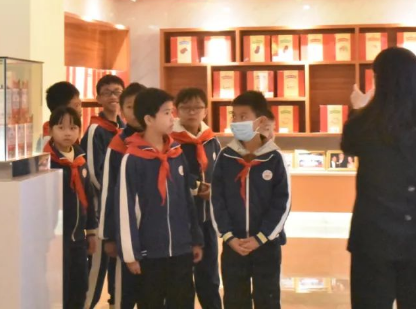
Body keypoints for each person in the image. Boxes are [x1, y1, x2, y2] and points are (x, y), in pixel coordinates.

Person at [341, 47, 416, 309]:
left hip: (371, 234)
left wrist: (358, 108)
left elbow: (348, 146)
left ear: (377, 79)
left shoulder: (364, 122)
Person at [118, 88, 204, 308]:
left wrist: (195, 239)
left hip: (181, 249)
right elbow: (126, 208)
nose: (172, 118)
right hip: (150, 253)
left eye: (172, 112)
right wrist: (131, 254)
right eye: (166, 113)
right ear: (148, 119)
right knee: (151, 302)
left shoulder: (176, 153)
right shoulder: (133, 159)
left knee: (183, 302)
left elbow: (187, 201)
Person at [211, 91, 291, 309]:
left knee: (267, 298)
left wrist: (261, 237)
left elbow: (282, 204)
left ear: (260, 121)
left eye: (243, 116)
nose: (236, 121)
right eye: (234, 116)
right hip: (233, 244)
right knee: (235, 299)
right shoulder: (226, 156)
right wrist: (228, 236)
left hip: (266, 245)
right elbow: (217, 199)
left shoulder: (274, 157)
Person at [171, 88, 223, 309]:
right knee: (181, 280)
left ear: (205, 111)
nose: (192, 112)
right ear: (176, 110)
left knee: (209, 277)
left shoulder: (212, 140)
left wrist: (215, 190)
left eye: (197, 107)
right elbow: (172, 172)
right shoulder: (170, 140)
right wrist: (196, 186)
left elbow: (219, 173)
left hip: (207, 218)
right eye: (186, 108)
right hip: (180, 220)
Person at [98, 82, 147, 309]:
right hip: (123, 233)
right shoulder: (118, 143)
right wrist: (108, 235)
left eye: (140, 105)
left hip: (153, 234)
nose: (135, 112)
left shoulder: (161, 140)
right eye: (129, 106)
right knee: (123, 295)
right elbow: (108, 190)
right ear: (122, 111)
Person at [44, 107, 97, 309]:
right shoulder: (46, 162)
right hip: (56, 239)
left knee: (80, 287)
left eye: (73, 128)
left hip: (78, 239)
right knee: (60, 290)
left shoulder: (80, 159)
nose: (67, 133)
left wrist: (91, 231)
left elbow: (88, 196)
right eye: (61, 127)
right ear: (51, 130)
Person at [82, 74, 126, 309]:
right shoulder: (95, 130)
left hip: (120, 208)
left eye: (117, 92)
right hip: (100, 209)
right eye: (107, 92)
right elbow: (93, 173)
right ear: (98, 98)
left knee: (118, 267)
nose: (113, 96)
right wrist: (117, 193)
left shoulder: (125, 129)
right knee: (97, 268)